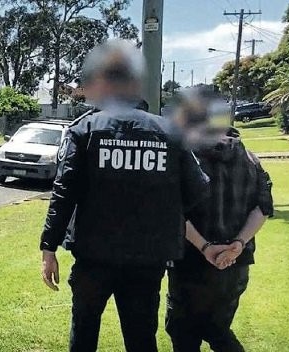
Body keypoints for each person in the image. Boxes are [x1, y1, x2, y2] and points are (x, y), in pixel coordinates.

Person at [39, 40, 209, 352]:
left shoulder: (85, 129)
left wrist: (48, 249)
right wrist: (162, 210)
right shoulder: (169, 132)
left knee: (84, 332)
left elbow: (63, 194)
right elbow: (199, 189)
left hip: (93, 256)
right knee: (142, 337)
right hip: (147, 258)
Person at [166, 91, 274, 352]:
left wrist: (205, 247)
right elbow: (263, 207)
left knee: (184, 332)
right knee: (217, 329)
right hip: (236, 264)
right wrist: (238, 243)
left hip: (191, 262)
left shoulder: (185, 157)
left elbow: (173, 211)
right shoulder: (251, 159)